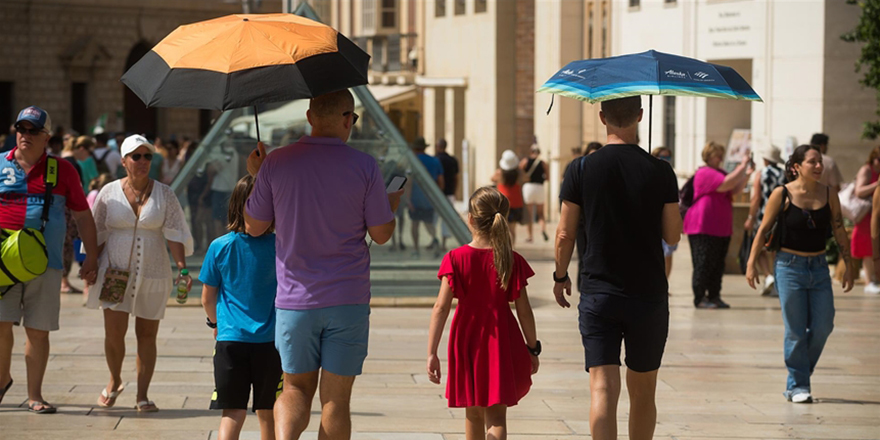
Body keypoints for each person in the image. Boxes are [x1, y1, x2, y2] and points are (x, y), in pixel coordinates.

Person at [243, 89, 402, 440]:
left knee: (295, 389)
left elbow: (254, 226)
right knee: (336, 402)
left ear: (310, 117)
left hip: (295, 301)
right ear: (348, 120)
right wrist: (389, 206)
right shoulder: (364, 166)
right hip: (348, 298)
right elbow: (381, 234)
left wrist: (259, 175)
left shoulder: (276, 163)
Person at [554, 96, 681, 440]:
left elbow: (565, 233)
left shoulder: (580, 169)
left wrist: (560, 275)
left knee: (602, 389)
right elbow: (672, 235)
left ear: (602, 117)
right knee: (643, 391)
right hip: (648, 294)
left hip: (599, 292)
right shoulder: (661, 170)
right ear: (640, 116)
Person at [0, 106, 99, 414]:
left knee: (37, 330)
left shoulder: (62, 170)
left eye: (33, 131)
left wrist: (90, 257)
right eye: (22, 129)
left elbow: (83, 216)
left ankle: (35, 395)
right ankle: (2, 380)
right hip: (3, 262)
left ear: (47, 137)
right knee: (1, 326)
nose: (25, 135)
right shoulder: (0, 165)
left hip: (46, 262)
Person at [87, 134, 193, 413]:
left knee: (147, 334)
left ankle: (142, 395)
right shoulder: (108, 192)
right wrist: (90, 262)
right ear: (124, 161)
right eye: (137, 156)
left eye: (148, 156)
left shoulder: (165, 193)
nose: (144, 161)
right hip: (114, 271)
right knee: (114, 333)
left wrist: (182, 268)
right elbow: (97, 231)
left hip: (153, 272)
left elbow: (175, 232)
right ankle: (114, 380)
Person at [427, 186, 539, 440]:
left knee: (473, 413)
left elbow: (440, 308)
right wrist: (532, 347)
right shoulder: (511, 259)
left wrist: (432, 352)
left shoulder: (455, 258)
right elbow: (524, 311)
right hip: (502, 337)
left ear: (470, 218)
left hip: (466, 337)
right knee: (497, 416)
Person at [746, 144, 853, 403]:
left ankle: (800, 372)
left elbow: (839, 230)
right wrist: (751, 263)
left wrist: (848, 265)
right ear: (796, 167)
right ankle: (797, 385)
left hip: (818, 268)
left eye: (820, 162)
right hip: (788, 267)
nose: (819, 166)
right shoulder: (781, 194)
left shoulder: (829, 194)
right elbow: (763, 230)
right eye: (812, 162)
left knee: (824, 325)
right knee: (795, 330)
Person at [201, 175, 280, 440]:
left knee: (232, 412)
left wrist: (215, 324)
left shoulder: (219, 246)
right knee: (267, 411)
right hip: (270, 341)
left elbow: (207, 298)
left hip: (230, 339)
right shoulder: (280, 247)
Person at [683, 141, 752, 309]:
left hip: (720, 227)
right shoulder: (704, 172)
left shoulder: (720, 172)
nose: (720, 157)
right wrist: (742, 166)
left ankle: (714, 295)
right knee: (703, 263)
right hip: (702, 226)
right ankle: (700, 298)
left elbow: (733, 189)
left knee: (718, 264)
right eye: (717, 154)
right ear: (708, 156)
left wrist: (747, 174)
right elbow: (726, 184)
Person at [744, 143, 786, 296]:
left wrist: (750, 217)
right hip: (780, 216)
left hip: (763, 215)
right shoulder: (784, 174)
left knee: (760, 248)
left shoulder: (761, 174)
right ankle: (776, 279)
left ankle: (768, 276)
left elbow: (756, 198)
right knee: (775, 249)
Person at [409, 136, 444, 258]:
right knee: (430, 224)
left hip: (415, 197)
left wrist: (408, 199)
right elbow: (440, 180)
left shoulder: (413, 161)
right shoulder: (434, 161)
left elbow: (408, 181)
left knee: (415, 224)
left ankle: (416, 249)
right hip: (429, 198)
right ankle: (435, 241)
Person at [851, 146, 880, 293]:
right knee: (868, 248)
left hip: (876, 213)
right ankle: (869, 281)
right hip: (866, 215)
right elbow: (859, 191)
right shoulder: (866, 170)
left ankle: (873, 278)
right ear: (873, 158)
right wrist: (876, 185)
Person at [203, 140, 240, 243]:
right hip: (231, 187)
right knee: (228, 218)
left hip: (220, 189)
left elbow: (212, 169)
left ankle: (222, 244)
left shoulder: (226, 153)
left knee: (218, 220)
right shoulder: (234, 153)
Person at [651, 147, 679, 279]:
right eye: (662, 156)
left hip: (667, 218)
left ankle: (664, 281)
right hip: (653, 220)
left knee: (668, 252)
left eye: (667, 157)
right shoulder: (649, 172)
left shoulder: (669, 174)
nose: (665, 160)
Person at [492, 150, 525, 244]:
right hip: (516, 202)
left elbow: (492, 178)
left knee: (503, 228)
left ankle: (503, 248)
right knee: (512, 229)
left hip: (503, 203)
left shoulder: (499, 173)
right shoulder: (518, 174)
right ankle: (512, 248)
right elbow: (526, 178)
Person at [520, 145, 550, 242]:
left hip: (528, 187)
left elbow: (519, 170)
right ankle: (543, 229)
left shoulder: (525, 161)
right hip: (539, 187)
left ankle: (530, 236)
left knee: (529, 214)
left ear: (530, 152)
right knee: (540, 213)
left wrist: (526, 176)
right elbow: (547, 178)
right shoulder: (543, 163)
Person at [434, 138, 459, 251]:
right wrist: (455, 191)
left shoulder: (436, 160)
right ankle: (443, 243)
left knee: (433, 219)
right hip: (449, 193)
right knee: (445, 220)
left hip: (438, 193)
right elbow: (456, 177)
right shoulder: (453, 160)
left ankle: (434, 240)